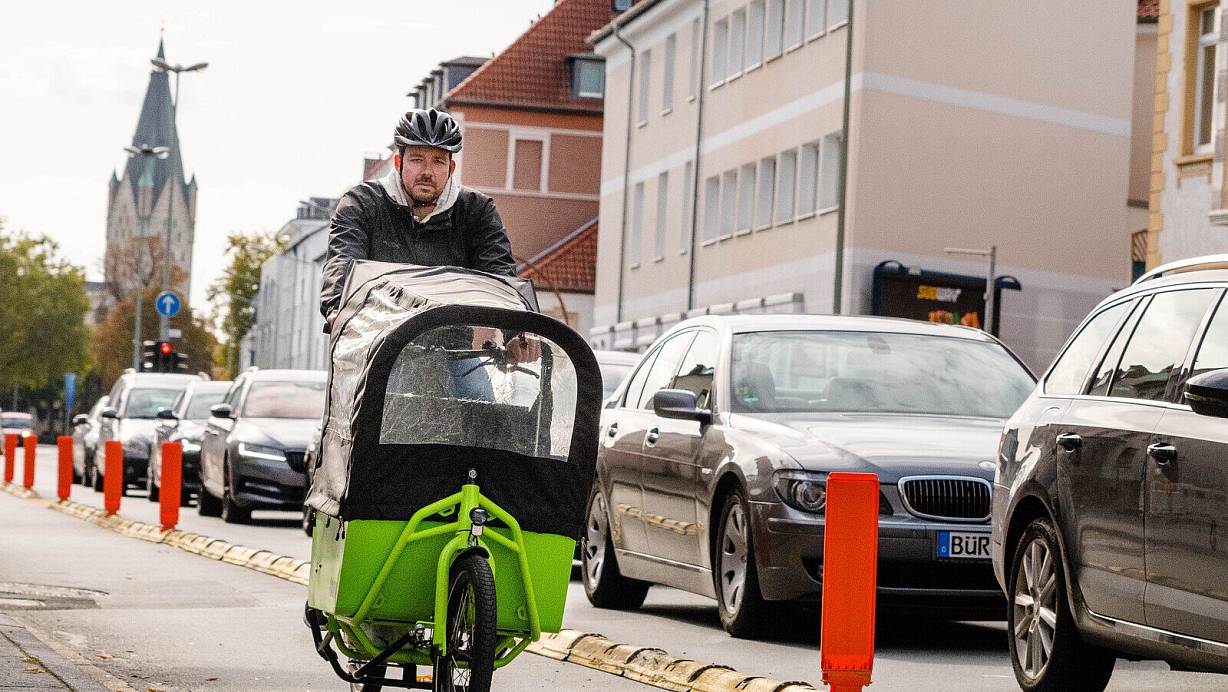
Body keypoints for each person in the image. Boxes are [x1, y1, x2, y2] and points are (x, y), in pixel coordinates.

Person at [320, 108, 536, 394]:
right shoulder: (362, 204)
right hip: (380, 347)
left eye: (437, 161)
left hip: (453, 353)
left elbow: (500, 276)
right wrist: (338, 309)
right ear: (399, 162)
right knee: (371, 416)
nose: (427, 171)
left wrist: (516, 330)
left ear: (451, 168)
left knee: (485, 405)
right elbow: (342, 264)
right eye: (417, 159)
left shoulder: (476, 211)